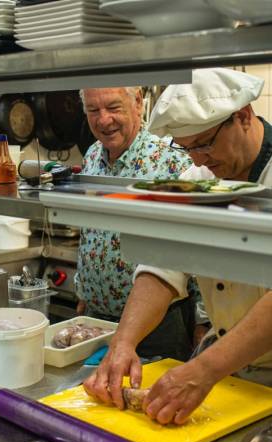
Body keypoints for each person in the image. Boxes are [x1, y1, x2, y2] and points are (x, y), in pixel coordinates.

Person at [83, 68, 272, 424]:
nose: (199, 161)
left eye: (204, 143)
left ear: (244, 116)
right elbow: (161, 266)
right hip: (234, 356)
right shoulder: (197, 179)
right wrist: (123, 343)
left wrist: (202, 370)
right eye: (186, 149)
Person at [76, 87, 198, 360]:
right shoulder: (92, 155)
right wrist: (83, 289)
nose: (103, 120)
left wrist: (202, 320)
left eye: (113, 108)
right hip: (96, 319)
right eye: (93, 110)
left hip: (160, 324)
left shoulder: (173, 160)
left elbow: (198, 245)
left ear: (138, 104)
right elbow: (89, 229)